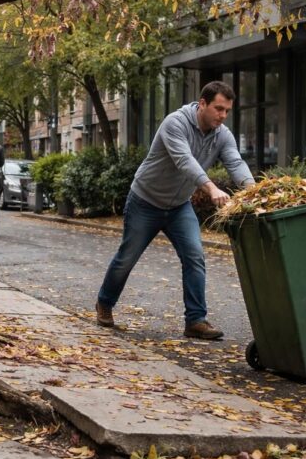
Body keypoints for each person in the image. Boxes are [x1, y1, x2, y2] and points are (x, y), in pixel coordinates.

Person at [95, 81, 255, 340]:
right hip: (145, 201)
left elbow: (236, 163)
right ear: (202, 104)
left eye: (227, 110)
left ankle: (195, 321)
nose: (223, 115)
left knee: (195, 256)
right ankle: (104, 302)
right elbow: (184, 160)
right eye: (218, 109)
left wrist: (254, 192)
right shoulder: (175, 123)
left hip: (179, 206)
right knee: (127, 258)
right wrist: (211, 188)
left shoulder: (222, 135)